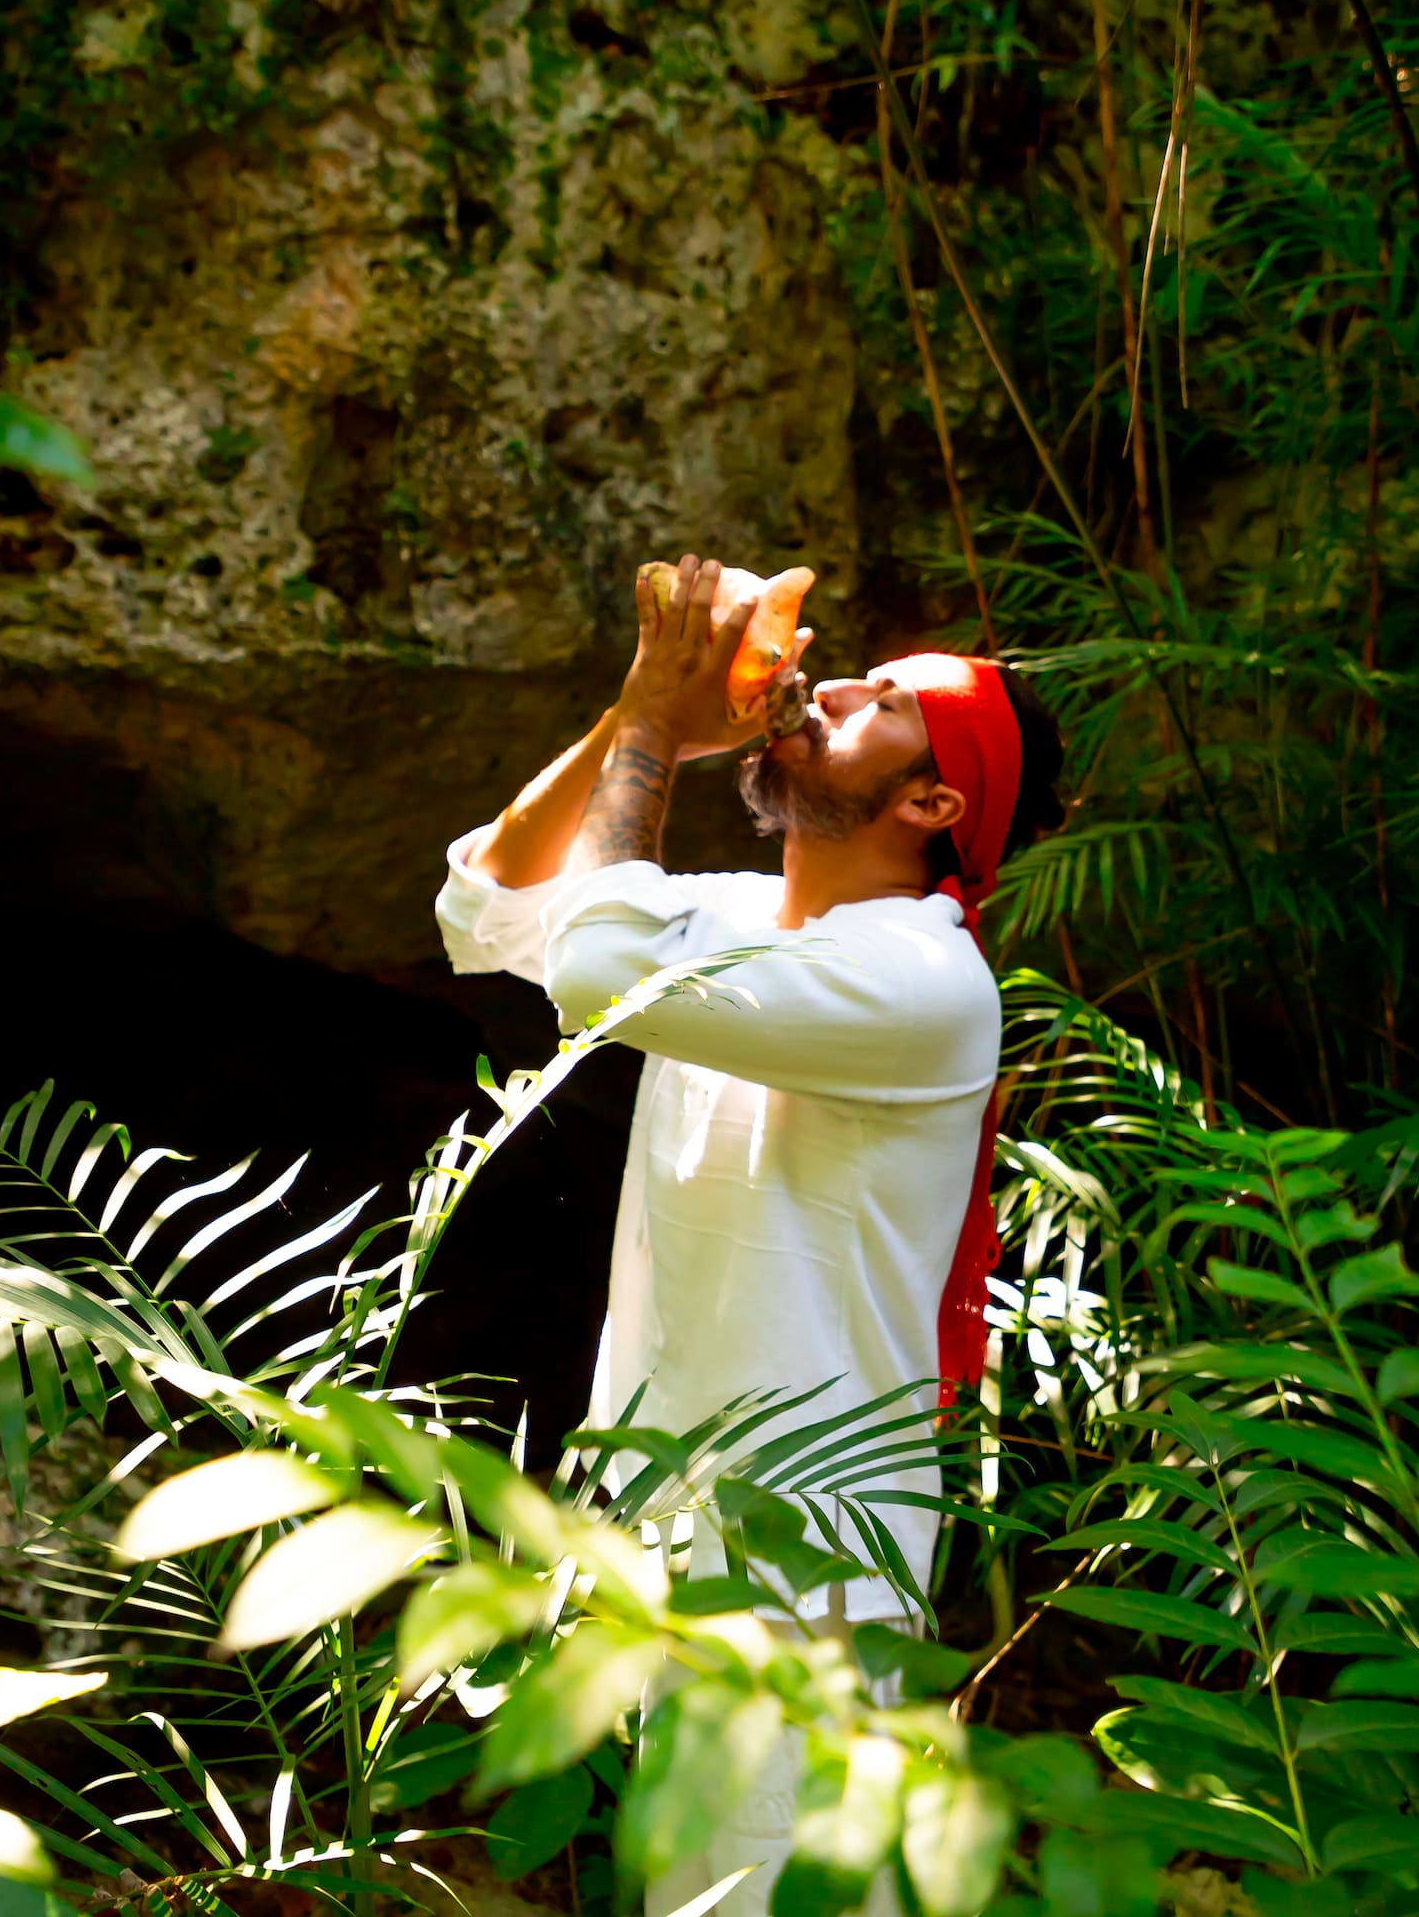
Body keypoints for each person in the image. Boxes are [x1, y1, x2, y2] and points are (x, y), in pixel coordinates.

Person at [435, 553, 1064, 1915]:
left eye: (884, 698)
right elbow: (484, 907)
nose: (833, 680)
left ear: (932, 800)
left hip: (814, 1543)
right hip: (683, 1510)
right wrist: (630, 714)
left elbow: (597, 972)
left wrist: (662, 737)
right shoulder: (733, 916)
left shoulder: (921, 980)